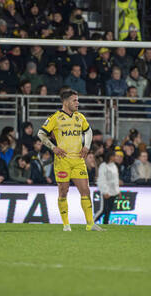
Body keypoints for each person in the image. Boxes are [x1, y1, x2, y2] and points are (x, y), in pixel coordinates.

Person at [37, 89, 104, 231]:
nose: (77, 103)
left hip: (79, 160)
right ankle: (66, 224)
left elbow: (89, 131)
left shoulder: (80, 117)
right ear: (66, 102)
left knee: (85, 190)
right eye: (75, 100)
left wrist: (87, 146)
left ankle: (90, 224)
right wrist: (53, 147)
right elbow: (41, 133)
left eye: (77, 100)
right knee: (63, 191)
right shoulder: (55, 118)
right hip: (63, 160)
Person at [95, 151, 121, 224]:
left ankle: (105, 223)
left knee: (109, 209)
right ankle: (92, 222)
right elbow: (101, 180)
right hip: (106, 191)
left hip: (113, 191)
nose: (116, 157)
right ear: (110, 157)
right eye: (115, 156)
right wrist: (105, 191)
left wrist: (118, 191)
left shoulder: (114, 166)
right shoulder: (103, 166)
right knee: (103, 210)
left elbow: (116, 180)